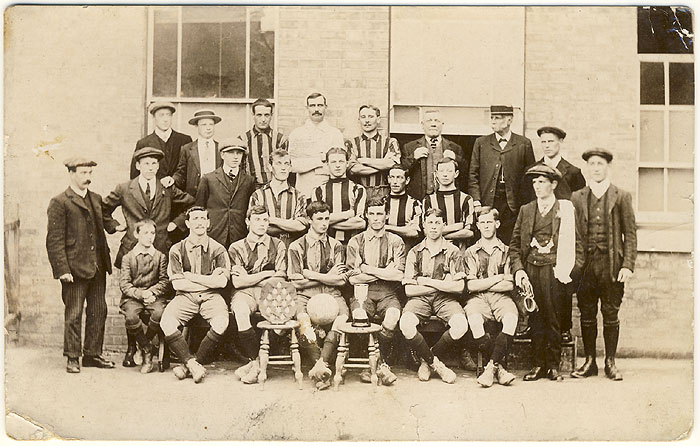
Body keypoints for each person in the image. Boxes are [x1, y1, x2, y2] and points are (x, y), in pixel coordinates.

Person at [509, 165, 582, 382]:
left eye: (542, 182)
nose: (537, 186)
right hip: (531, 269)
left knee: (553, 317)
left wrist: (571, 271)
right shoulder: (526, 210)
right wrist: (519, 270)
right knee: (535, 317)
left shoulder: (565, 210)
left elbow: (578, 244)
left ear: (554, 184)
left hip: (555, 270)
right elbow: (514, 246)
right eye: (534, 182)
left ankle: (553, 365)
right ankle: (537, 365)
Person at [571, 148, 637, 381]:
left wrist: (627, 265)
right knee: (586, 314)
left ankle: (610, 362)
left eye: (600, 164)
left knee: (610, 313)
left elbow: (630, 234)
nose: (596, 168)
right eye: (592, 164)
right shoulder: (577, 197)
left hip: (611, 266)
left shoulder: (621, 196)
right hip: (586, 266)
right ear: (587, 168)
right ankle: (590, 361)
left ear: (607, 167)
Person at [46, 157, 115, 373]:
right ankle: (73, 357)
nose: (87, 178)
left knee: (98, 311)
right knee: (74, 313)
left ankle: (93, 354)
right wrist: (62, 270)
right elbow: (54, 240)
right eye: (83, 173)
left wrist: (117, 226)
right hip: (74, 269)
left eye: (90, 173)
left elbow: (103, 221)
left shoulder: (95, 198)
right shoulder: (60, 202)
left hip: (97, 267)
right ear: (71, 173)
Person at [525, 126, 586, 343]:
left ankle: (564, 327)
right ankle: (534, 328)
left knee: (562, 284)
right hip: (541, 237)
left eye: (551, 141)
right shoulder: (534, 170)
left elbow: (579, 204)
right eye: (543, 142)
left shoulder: (573, 172)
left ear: (560, 142)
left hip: (564, 235)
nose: (547, 145)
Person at [159, 207, 231, 383]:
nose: (199, 222)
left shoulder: (218, 249)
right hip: (185, 296)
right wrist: (207, 280)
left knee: (222, 321)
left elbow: (221, 283)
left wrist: (191, 276)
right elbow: (177, 283)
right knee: (166, 322)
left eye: (202, 219)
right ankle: (192, 364)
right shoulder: (177, 249)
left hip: (211, 296)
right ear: (188, 223)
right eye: (195, 219)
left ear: (208, 223)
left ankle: (189, 365)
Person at [399, 208, 469, 383]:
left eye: (438, 223)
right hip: (420, 299)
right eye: (430, 222)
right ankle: (436, 364)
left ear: (444, 226)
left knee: (460, 325)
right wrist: (444, 284)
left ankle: (426, 360)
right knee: (406, 324)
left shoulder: (453, 251)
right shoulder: (415, 252)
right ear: (424, 225)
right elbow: (409, 290)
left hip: (445, 300)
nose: (434, 227)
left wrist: (426, 281)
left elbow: (459, 287)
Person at [287, 201, 351, 390]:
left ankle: (321, 366)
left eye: (327, 218)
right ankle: (320, 366)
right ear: (309, 220)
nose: (324, 223)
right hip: (305, 295)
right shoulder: (296, 247)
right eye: (319, 219)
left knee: (343, 318)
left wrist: (312, 274)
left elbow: (340, 281)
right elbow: (297, 282)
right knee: (302, 320)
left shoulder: (336, 245)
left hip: (332, 293)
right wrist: (327, 277)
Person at [346, 196, 406, 385]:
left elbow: (398, 275)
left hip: (388, 292)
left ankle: (380, 363)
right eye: (371, 214)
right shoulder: (356, 241)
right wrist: (384, 272)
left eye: (380, 213)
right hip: (362, 291)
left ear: (386, 215)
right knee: (359, 314)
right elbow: (353, 278)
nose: (376, 218)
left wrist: (367, 268)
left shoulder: (396, 241)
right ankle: (370, 363)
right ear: (366, 216)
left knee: (393, 315)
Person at [103, 147, 194, 269]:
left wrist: (177, 222)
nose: (150, 167)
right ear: (138, 166)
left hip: (161, 249)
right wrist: (114, 225)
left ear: (157, 166)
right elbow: (102, 209)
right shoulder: (124, 189)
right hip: (132, 249)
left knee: (161, 286)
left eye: (154, 163)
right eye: (146, 164)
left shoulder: (167, 188)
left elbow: (192, 204)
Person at [229, 205, 287, 384]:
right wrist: (265, 274)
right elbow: (238, 282)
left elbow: (281, 276)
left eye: (265, 220)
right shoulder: (236, 247)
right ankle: (257, 363)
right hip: (244, 293)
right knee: (239, 310)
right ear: (248, 222)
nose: (262, 224)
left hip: (270, 291)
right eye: (257, 220)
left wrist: (250, 277)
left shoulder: (278, 244)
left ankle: (256, 366)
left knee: (281, 317)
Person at [464, 208, 518, 387]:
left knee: (511, 318)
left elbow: (509, 285)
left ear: (497, 224)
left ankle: (490, 369)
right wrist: (497, 278)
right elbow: (471, 286)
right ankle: (498, 368)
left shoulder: (506, 251)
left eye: (489, 222)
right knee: (474, 321)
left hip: (501, 297)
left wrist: (485, 282)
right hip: (478, 299)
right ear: (478, 226)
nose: (486, 226)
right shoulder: (471, 252)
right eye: (482, 223)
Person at [468, 105, 535, 244]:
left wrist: (527, 206)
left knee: (511, 241)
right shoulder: (481, 143)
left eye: (497, 118)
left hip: (513, 205)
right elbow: (473, 175)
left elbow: (530, 178)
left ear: (509, 120)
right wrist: (476, 201)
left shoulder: (523, 143)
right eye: (491, 118)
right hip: (488, 203)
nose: (493, 121)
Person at [118, 219, 170, 374]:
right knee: (131, 317)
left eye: (152, 233)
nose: (150, 237)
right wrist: (141, 294)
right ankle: (148, 348)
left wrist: (152, 292)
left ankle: (142, 347)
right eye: (145, 233)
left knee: (160, 314)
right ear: (136, 234)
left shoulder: (160, 256)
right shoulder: (128, 257)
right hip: (134, 297)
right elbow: (125, 284)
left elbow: (164, 280)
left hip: (154, 297)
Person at [195, 138, 256, 248]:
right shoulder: (208, 179)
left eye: (239, 153)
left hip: (239, 235)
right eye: (231, 153)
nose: (236, 156)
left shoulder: (249, 180)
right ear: (222, 155)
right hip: (214, 234)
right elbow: (199, 208)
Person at [401, 109, 467, 200]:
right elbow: (402, 172)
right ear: (422, 125)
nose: (433, 124)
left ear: (442, 125)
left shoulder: (454, 148)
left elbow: (465, 173)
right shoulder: (410, 147)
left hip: (446, 199)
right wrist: (413, 157)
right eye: (429, 121)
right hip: (419, 199)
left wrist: (456, 158)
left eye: (437, 121)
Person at [288, 92, 345, 196]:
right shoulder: (297, 134)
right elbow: (293, 166)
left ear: (325, 107)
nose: (316, 109)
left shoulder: (335, 134)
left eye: (320, 105)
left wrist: (306, 161)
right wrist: (321, 159)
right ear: (307, 108)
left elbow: (339, 166)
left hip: (329, 190)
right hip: (304, 191)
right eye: (312, 105)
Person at [249, 149, 308, 248]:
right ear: (270, 167)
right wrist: (289, 224)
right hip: (265, 249)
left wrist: (269, 219)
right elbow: (254, 226)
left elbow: (300, 226)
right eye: (278, 164)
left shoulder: (299, 196)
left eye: (286, 164)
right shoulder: (258, 195)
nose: (283, 168)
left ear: (290, 168)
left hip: (291, 249)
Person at [310, 147, 367, 245]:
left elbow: (360, 223)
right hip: (325, 245)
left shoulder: (358, 189)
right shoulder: (318, 191)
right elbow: (316, 222)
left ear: (347, 163)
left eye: (341, 161)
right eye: (333, 162)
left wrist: (327, 221)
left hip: (352, 244)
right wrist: (347, 214)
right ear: (327, 165)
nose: (337, 166)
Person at [346, 104, 401, 200]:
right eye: (363, 117)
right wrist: (382, 165)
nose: (367, 120)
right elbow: (353, 169)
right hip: (359, 191)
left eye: (371, 117)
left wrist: (363, 160)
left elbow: (392, 164)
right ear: (359, 120)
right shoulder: (352, 143)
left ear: (378, 119)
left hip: (384, 191)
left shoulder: (391, 142)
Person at [131, 101, 192, 182]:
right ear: (154, 117)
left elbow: (190, 171)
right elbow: (135, 175)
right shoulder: (143, 143)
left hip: (179, 192)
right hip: (154, 192)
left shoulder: (184, 140)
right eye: (161, 115)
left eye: (168, 115)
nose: (165, 119)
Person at [423, 157, 474, 249]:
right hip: (434, 250)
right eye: (441, 171)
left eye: (449, 171)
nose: (445, 175)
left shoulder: (466, 199)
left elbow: (469, 232)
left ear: (456, 174)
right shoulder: (428, 200)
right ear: (436, 174)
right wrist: (458, 226)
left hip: (459, 251)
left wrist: (439, 234)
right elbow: (426, 232)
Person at [238, 98, 289, 189]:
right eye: (259, 115)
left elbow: (285, 167)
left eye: (266, 115)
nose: (263, 119)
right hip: (249, 189)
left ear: (271, 116)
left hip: (274, 187)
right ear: (253, 115)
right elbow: (238, 167)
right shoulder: (242, 139)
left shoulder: (280, 139)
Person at [173, 110, 223, 197]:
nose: (208, 128)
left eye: (211, 124)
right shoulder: (187, 149)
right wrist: (172, 180)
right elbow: (181, 173)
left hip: (217, 197)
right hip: (194, 197)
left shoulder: (221, 148)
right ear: (196, 126)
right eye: (204, 125)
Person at [385, 164, 423, 250]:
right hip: (384, 248)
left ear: (407, 180)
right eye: (392, 177)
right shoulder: (382, 202)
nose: (395, 181)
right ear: (388, 179)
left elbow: (415, 232)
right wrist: (405, 229)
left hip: (406, 248)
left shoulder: (415, 204)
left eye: (399, 177)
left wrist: (387, 227)